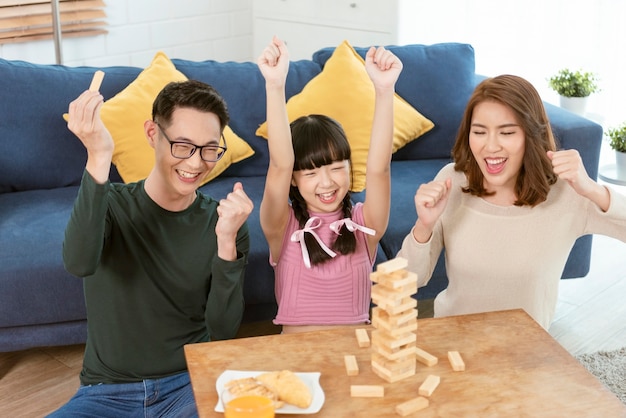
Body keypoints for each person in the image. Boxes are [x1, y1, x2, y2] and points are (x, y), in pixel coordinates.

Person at [48, 80, 253, 417]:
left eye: (209, 149)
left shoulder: (223, 223)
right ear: (152, 134)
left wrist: (226, 242)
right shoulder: (109, 203)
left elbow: (222, 331)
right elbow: (78, 263)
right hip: (106, 394)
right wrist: (99, 155)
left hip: (189, 385)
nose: (196, 162)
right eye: (183, 145)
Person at [397, 74, 626, 330]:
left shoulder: (569, 194)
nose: (490, 146)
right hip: (453, 344)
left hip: (526, 353)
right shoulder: (452, 181)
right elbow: (406, 280)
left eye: (506, 132)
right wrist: (423, 226)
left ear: (531, 135)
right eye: (479, 132)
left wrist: (593, 190)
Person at [256, 36, 402, 334]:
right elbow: (280, 164)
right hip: (297, 365)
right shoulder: (283, 226)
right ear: (294, 180)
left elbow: (379, 169)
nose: (326, 182)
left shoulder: (365, 224)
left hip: (354, 363)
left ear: (350, 169)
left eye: (337, 168)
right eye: (310, 174)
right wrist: (275, 85)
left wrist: (385, 90)